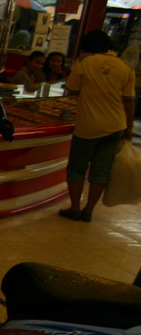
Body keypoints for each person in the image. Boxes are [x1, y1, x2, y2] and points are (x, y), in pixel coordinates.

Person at [58, 30, 135, 223]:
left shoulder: (84, 63)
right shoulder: (126, 67)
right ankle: (88, 210)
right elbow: (129, 101)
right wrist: (129, 126)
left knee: (77, 168)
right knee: (100, 170)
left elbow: (72, 91)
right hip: (115, 125)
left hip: (88, 125)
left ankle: (74, 208)